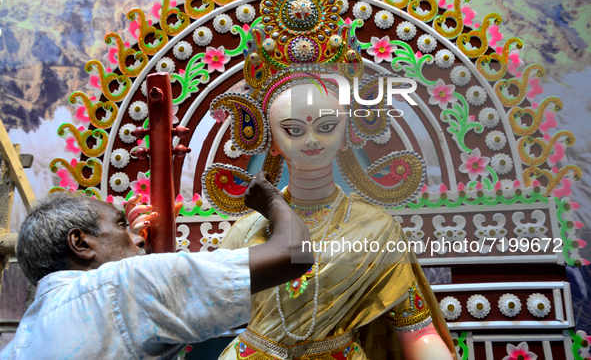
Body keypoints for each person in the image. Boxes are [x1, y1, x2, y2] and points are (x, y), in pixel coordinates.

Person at [211, 83, 456, 360]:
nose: (312, 140)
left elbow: (416, 329)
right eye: (294, 130)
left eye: (326, 127)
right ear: (273, 143)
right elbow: (204, 309)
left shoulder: (377, 228)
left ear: (345, 136)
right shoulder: (246, 231)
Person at [0, 172, 314, 360]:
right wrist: (271, 199)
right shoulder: (121, 285)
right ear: (81, 244)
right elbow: (295, 253)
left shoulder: (18, 346)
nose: (138, 239)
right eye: (121, 225)